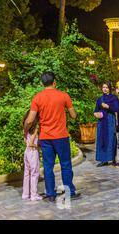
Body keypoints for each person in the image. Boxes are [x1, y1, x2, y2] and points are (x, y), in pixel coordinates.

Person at [23, 72, 80, 202]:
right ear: (55, 82)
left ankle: (50, 194)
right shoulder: (64, 96)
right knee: (66, 165)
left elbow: (30, 120)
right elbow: (73, 115)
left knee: (48, 166)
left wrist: (25, 132)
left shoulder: (37, 98)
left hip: (45, 137)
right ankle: (69, 191)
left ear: (42, 83)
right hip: (61, 136)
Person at [94, 81, 119, 167]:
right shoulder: (100, 99)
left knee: (111, 138)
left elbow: (117, 108)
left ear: (109, 88)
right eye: (103, 87)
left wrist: (108, 107)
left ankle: (113, 158)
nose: (104, 89)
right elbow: (96, 110)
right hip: (101, 121)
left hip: (110, 120)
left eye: (106, 87)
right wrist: (96, 114)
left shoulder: (113, 98)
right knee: (101, 138)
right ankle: (103, 160)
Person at [21, 111, 42, 201]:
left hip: (26, 152)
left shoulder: (25, 130)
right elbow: (31, 143)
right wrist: (39, 146)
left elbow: (26, 142)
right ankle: (34, 195)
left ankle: (25, 194)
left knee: (27, 173)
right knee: (34, 173)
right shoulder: (35, 129)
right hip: (33, 152)